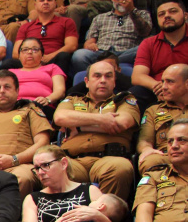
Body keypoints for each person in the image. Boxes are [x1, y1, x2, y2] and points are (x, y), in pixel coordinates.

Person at [54, 60, 139, 202]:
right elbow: (60, 118)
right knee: (50, 165)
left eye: (108, 76)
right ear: (87, 82)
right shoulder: (73, 100)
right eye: (97, 76)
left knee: (121, 167)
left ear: (114, 82)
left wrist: (78, 126)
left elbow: (121, 123)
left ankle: (103, 214)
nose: (103, 80)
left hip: (109, 159)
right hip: (73, 161)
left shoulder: (124, 100)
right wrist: (103, 119)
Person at [0, 70, 54, 195]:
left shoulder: (30, 111)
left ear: (17, 91)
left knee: (21, 178)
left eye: (7, 87)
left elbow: (43, 144)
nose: (2, 91)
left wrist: (14, 160)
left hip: (19, 166)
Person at [132, 119, 188, 222]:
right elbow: (143, 213)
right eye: (170, 141)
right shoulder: (153, 177)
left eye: (181, 140)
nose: (174, 146)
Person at [71, 0, 152, 76]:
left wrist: (131, 11)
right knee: (79, 55)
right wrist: (90, 45)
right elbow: (89, 42)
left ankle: (108, 62)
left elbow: (145, 32)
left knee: (143, 49)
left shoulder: (142, 14)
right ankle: (96, 74)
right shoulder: (99, 17)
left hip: (126, 53)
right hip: (101, 53)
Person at [132, 0, 188, 108]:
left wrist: (175, 89)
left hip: (185, 88)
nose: (166, 16)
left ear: (185, 15)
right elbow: (137, 76)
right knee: (135, 93)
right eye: (161, 14)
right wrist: (159, 87)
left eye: (173, 11)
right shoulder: (149, 43)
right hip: (158, 91)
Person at [9, 0, 78, 74]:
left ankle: (58, 82)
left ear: (55, 4)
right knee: (9, 63)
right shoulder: (25, 27)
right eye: (42, 0)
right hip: (29, 62)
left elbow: (72, 45)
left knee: (63, 56)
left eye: (49, 0)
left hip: (54, 60)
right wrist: (35, 59)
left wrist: (49, 57)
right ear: (35, 5)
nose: (45, 2)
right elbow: (16, 53)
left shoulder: (67, 22)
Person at [137, 64, 188, 174]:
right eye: (163, 82)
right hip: (166, 157)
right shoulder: (153, 110)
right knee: (150, 161)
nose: (163, 87)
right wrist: (146, 149)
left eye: (170, 82)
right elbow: (145, 141)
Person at [10, 38, 68, 117]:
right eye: (25, 49)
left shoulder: (52, 68)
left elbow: (60, 91)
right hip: (16, 107)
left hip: (42, 107)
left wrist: (48, 99)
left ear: (42, 55)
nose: (29, 52)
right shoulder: (10, 72)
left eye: (35, 49)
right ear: (19, 56)